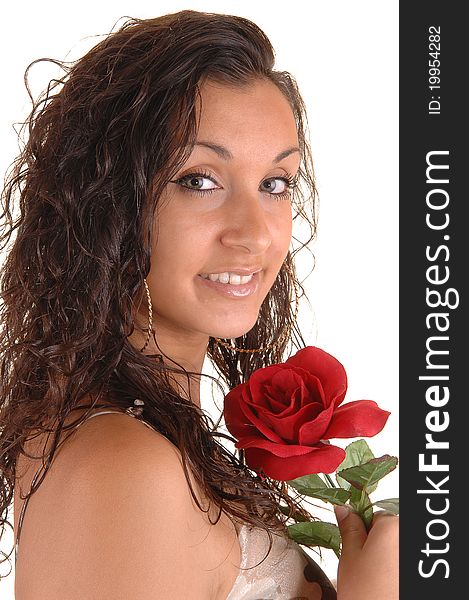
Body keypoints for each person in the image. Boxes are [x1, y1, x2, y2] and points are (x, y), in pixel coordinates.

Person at [0, 10, 398, 599]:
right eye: (199, 180)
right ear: (106, 205)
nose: (256, 233)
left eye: (275, 183)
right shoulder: (124, 465)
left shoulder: (139, 435)